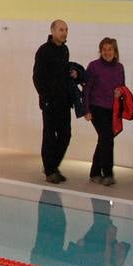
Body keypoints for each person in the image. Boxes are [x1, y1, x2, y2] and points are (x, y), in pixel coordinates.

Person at [32, 19, 79, 183]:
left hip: (64, 101)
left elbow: (63, 73)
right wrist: (44, 97)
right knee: (50, 136)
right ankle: (50, 170)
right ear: (52, 31)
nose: (64, 33)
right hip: (50, 102)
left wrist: (72, 74)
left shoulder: (65, 50)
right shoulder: (43, 51)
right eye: (61, 30)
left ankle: (52, 166)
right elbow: (37, 77)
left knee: (66, 135)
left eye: (66, 30)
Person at [82, 37, 125, 185]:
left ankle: (95, 172)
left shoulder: (119, 67)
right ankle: (107, 173)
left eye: (110, 49)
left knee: (104, 139)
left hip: (112, 109)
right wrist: (86, 109)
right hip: (96, 107)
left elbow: (122, 87)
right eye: (104, 49)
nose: (107, 52)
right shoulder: (94, 66)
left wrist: (120, 91)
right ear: (100, 51)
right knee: (107, 137)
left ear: (115, 51)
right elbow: (86, 89)